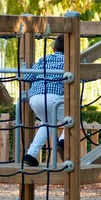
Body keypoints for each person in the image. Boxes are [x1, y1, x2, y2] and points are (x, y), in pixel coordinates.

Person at [22, 35, 65, 167]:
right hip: (55, 97)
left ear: (54, 48)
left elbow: (27, 76)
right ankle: (62, 142)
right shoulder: (69, 61)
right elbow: (82, 78)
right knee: (72, 119)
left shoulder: (44, 59)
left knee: (46, 124)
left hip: (35, 98)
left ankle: (30, 155)